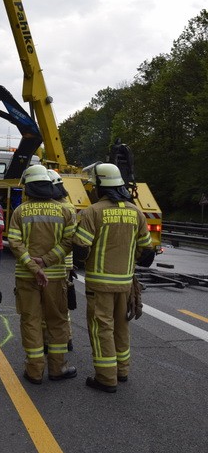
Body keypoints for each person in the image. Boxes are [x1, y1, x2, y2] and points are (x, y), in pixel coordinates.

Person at [72, 162, 154, 393]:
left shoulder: (92, 212)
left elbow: (80, 248)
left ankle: (106, 378)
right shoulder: (136, 212)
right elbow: (147, 251)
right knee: (121, 326)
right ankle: (122, 370)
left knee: (101, 329)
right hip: (125, 283)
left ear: (99, 186)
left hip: (100, 284)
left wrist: (79, 263)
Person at [8, 164, 76, 385]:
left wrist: (33, 266)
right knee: (57, 321)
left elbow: (14, 242)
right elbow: (69, 242)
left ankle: (35, 370)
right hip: (56, 276)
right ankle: (58, 368)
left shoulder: (20, 211)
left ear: (28, 187)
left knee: (31, 321)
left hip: (26, 277)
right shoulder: (65, 210)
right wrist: (46, 262)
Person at [47, 170, 76, 349]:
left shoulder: (55, 207)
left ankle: (49, 340)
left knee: (49, 304)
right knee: (62, 304)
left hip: (53, 262)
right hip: (66, 261)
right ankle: (68, 337)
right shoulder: (70, 206)